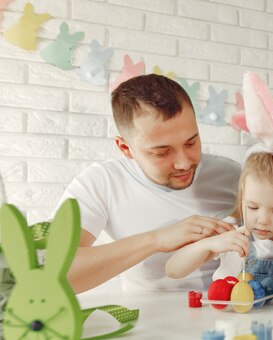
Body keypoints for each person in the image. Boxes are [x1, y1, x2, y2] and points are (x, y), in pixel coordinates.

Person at [52, 74, 241, 293]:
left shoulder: (231, 175)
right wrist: (156, 240)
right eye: (162, 152)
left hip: (228, 316)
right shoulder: (101, 183)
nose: (184, 163)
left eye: (191, 142)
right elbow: (52, 271)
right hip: (148, 320)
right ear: (125, 148)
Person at [165, 72, 273, 299]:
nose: (262, 219)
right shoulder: (230, 230)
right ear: (242, 198)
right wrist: (210, 245)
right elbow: (173, 270)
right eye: (252, 207)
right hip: (231, 322)